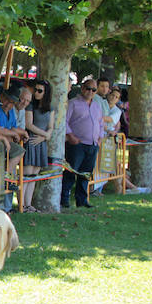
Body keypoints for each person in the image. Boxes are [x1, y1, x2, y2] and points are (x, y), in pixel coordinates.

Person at [61, 78, 104, 209]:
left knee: (86, 173)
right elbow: (64, 121)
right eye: (88, 88)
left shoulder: (97, 106)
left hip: (92, 144)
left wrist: (100, 138)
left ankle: (82, 200)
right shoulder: (73, 103)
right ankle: (64, 199)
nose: (90, 92)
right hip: (76, 144)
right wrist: (71, 136)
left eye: (94, 90)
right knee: (71, 172)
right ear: (82, 88)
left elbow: (101, 123)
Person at [21, 79, 54, 212]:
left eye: (40, 91)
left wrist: (45, 136)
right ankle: (21, 205)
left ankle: (28, 204)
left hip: (41, 143)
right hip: (31, 141)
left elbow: (51, 126)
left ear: (46, 93)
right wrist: (44, 135)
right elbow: (29, 124)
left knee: (34, 175)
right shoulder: (30, 106)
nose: (36, 93)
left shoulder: (50, 108)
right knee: (27, 174)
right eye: (35, 90)